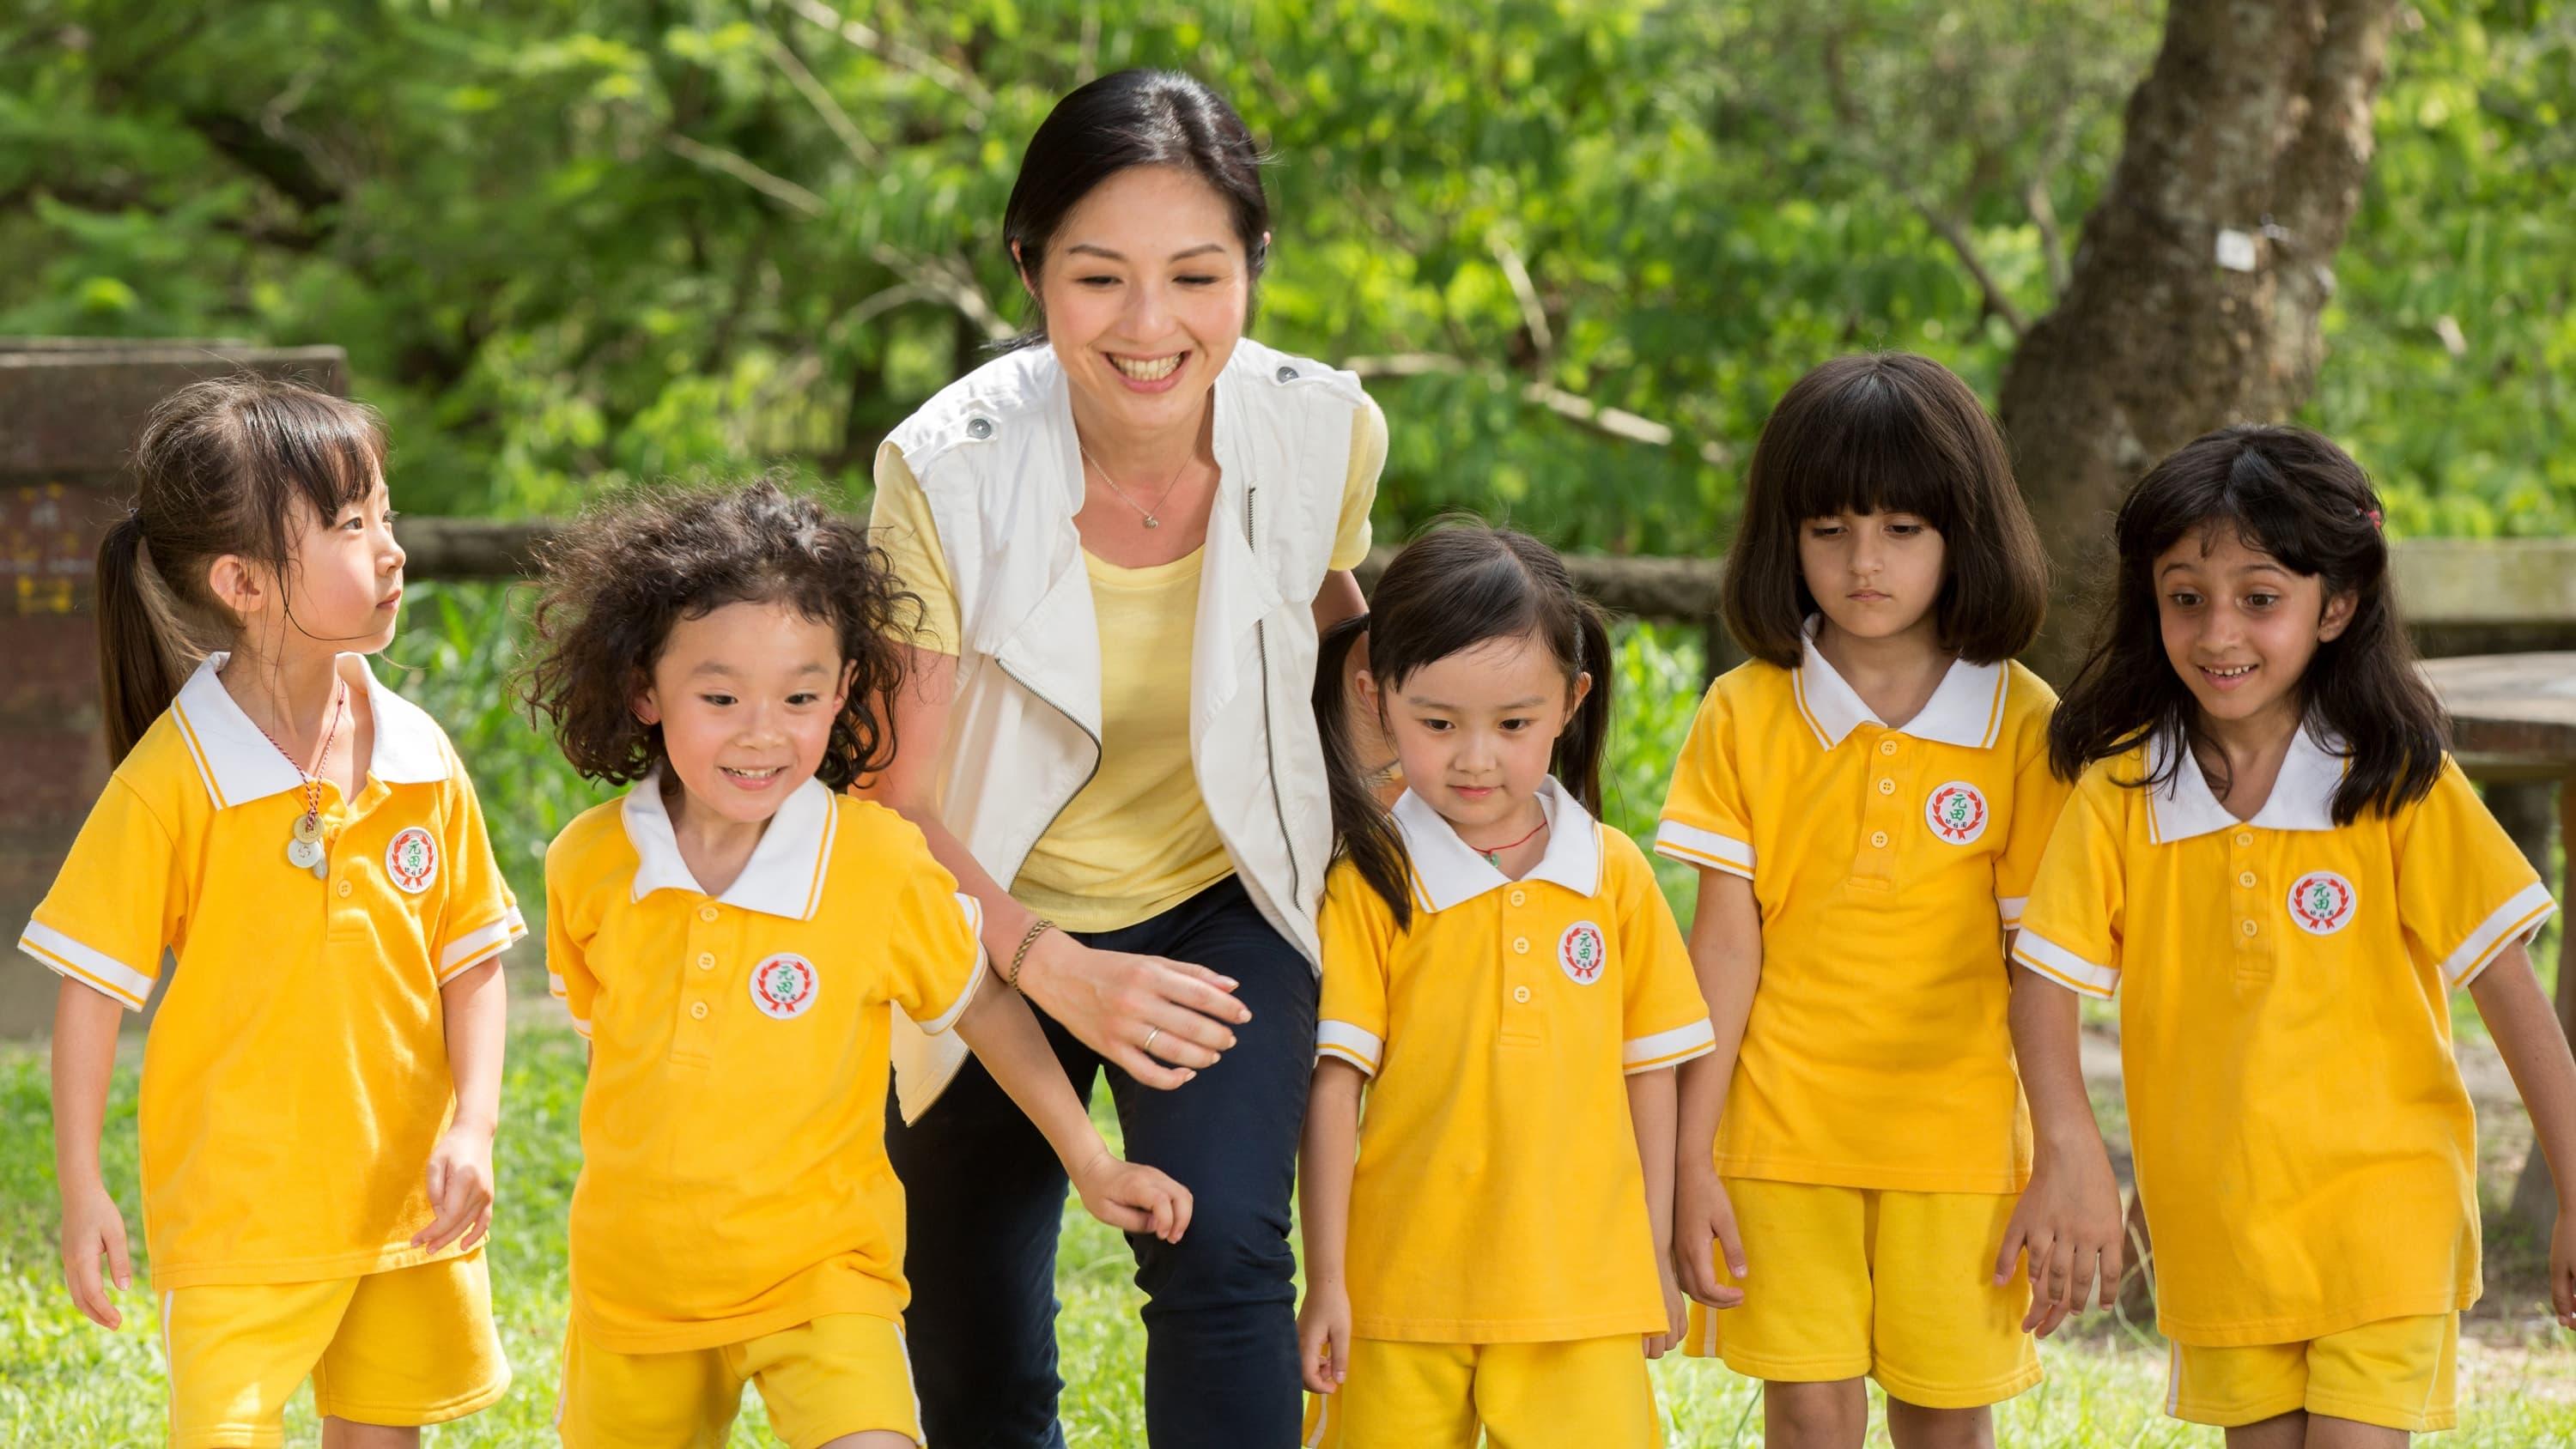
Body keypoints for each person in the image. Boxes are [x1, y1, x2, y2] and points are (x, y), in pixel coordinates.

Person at [862, 68, 1384, 1445]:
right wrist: (1049, 965)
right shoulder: (942, 470)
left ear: (1253, 268)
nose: (1152, 329)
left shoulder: (1326, 430)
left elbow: (1341, 640)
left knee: (1221, 1258)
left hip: (1228, 895)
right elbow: (893, 802)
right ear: (1031, 271)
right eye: (1099, 277)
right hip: (981, 908)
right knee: (968, 1332)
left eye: (1198, 276)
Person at [521, 480, 1191, 1449]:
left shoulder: (878, 862)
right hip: (636, 1284)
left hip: (825, 1273)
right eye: (720, 696)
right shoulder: (587, 862)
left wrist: (1091, 1158)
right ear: (643, 689)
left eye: (799, 696)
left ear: (842, 693)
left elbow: (985, 1004)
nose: (762, 730)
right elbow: (611, 1039)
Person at [2012, 425, 2576, 1446]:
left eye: (2259, 597)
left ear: (2338, 605)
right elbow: (2043, 983)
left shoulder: (2398, 781)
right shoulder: (2121, 794)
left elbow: (2511, 993)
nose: (2218, 630)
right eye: (2186, 596)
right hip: (2219, 1231)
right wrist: (2072, 1154)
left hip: (2385, 1223)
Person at [22, 374, 519, 1447]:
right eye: (351, 525)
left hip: (405, 1210)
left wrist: (472, 1127)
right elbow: (90, 991)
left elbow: (472, 961)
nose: (391, 547)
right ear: (242, 581)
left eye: (385, 513)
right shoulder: (171, 781)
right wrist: (81, 1189)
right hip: (239, 1215)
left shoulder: (424, 755)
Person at [1656, 354, 2064, 1449]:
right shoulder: (1743, 712)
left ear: (1962, 534)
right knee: (1808, 1415)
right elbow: (1723, 952)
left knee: (1947, 1419)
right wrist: (1691, 1158)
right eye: (1828, 528)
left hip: (1962, 1147)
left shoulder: (2025, 722)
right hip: (1780, 1143)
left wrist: (2067, 1148)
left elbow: (2045, 968)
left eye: (1901, 528)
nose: (1863, 562)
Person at [1297, 524, 1715, 1448]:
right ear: (1375, 696)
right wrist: (1327, 1275)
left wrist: (1649, 1248)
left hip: (1584, 1293)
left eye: (1513, 724)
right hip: (1398, 1293)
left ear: (1572, 701)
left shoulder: (1615, 874)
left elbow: (1651, 1073)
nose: (1476, 758)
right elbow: (1334, 1087)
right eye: (1438, 723)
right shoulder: (1367, 878)